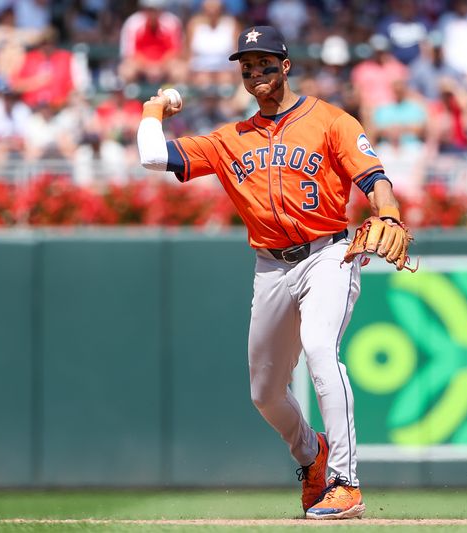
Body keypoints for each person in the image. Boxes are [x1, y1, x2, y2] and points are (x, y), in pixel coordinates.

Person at [137, 26, 413, 520]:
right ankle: (311, 456)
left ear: (286, 66)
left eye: (265, 63)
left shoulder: (330, 120)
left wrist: (387, 213)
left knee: (321, 351)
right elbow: (154, 156)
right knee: (264, 392)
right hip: (270, 266)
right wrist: (152, 112)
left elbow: (375, 178)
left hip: (327, 253)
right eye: (247, 66)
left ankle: (346, 483)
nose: (256, 72)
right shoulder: (230, 140)